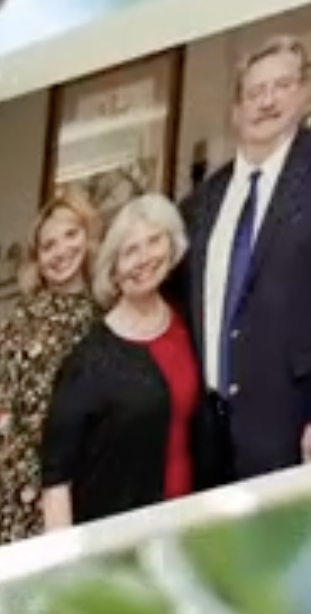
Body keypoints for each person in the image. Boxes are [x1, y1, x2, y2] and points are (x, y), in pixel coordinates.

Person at [167, 34, 311, 481]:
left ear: (304, 94)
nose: (267, 102)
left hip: (300, 421)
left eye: (281, 86)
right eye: (255, 91)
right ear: (236, 111)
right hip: (212, 433)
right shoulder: (203, 200)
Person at [40, 194, 201, 529]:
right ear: (113, 272)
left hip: (189, 522)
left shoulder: (189, 322)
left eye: (154, 241)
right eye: (130, 251)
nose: (144, 258)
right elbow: (56, 483)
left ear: (171, 246)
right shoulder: (89, 361)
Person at [0, 189, 101, 547]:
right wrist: (20, 481)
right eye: (48, 246)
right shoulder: (22, 319)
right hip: (18, 485)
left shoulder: (103, 316)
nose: (61, 252)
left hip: (83, 483)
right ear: (37, 260)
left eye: (71, 235)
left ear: (88, 236)